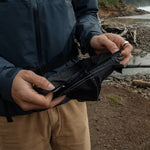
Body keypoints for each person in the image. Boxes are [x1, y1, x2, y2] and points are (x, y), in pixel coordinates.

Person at [0, 0, 133, 150]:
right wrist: (6, 79)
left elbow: (85, 11)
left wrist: (92, 36)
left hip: (70, 93)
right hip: (11, 109)